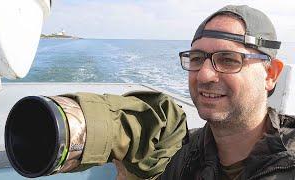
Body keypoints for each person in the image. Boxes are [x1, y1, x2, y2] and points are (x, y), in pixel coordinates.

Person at [48, 4, 293, 180]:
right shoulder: (185, 154)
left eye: (228, 59)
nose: (205, 75)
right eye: (197, 58)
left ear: (270, 74)